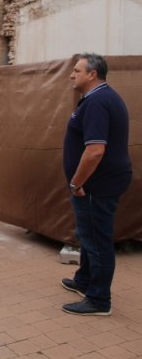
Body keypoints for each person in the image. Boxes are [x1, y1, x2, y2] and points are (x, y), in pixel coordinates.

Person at [61, 53, 132, 316]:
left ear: (92, 74)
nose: (72, 74)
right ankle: (84, 280)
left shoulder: (98, 102)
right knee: (89, 233)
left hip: (95, 185)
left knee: (97, 240)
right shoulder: (97, 98)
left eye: (77, 70)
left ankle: (99, 300)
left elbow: (95, 151)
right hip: (97, 184)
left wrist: (77, 182)